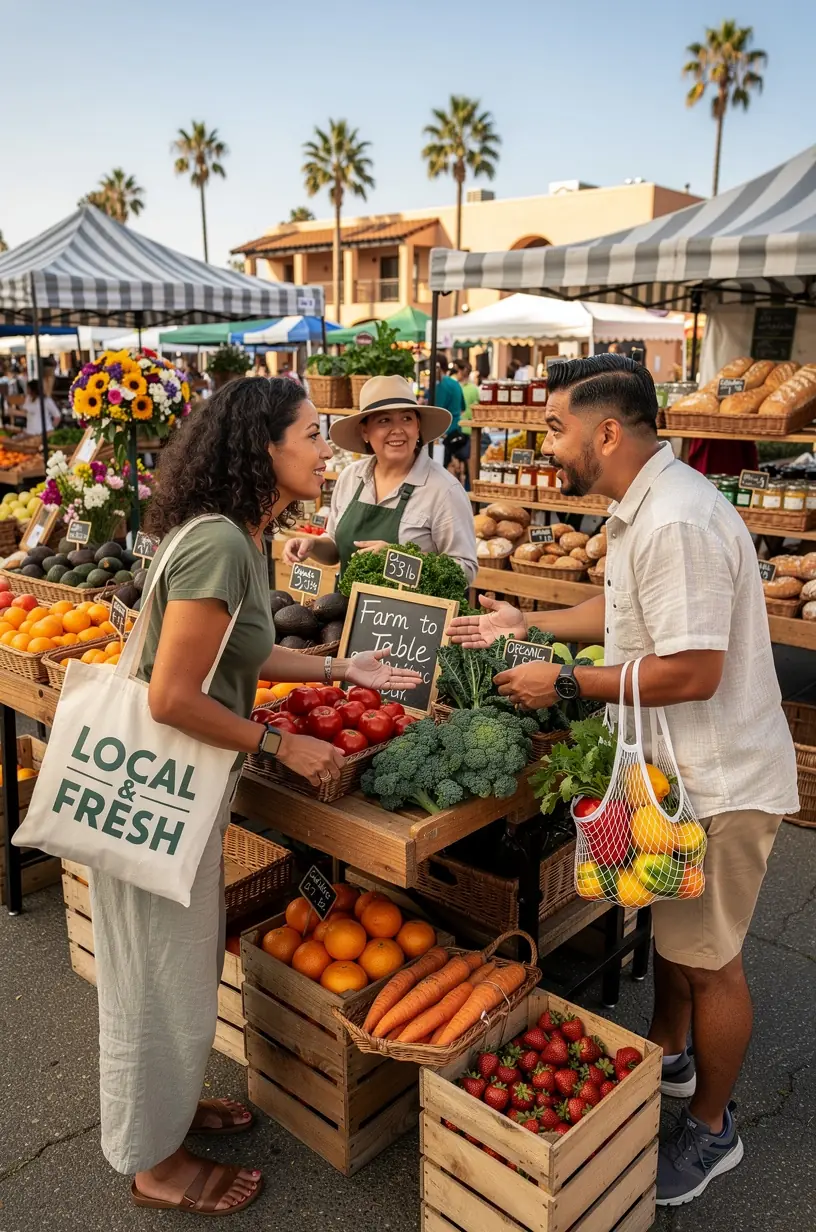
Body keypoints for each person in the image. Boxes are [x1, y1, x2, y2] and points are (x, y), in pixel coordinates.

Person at [448, 354, 798, 1208]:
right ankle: (671, 1057)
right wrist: (526, 620)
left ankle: (714, 1131)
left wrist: (565, 681)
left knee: (712, 963)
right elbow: (620, 614)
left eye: (559, 426)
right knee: (683, 942)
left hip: (717, 780)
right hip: (682, 774)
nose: (549, 442)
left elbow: (693, 672)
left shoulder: (676, 519)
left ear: (607, 432)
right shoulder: (645, 510)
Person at [92, 378, 422, 1217]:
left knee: (183, 966)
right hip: (161, 790)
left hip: (183, 787)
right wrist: (281, 740)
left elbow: (235, 659)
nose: (327, 450)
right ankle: (151, 1160)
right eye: (313, 435)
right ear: (263, 448)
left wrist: (339, 668)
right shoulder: (220, 546)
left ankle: (168, 1112)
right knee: (153, 979)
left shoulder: (236, 536)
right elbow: (172, 695)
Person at [283, 374, 477, 582]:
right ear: (365, 431)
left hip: (409, 614)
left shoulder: (443, 490)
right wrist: (312, 546)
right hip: (351, 611)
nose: (398, 430)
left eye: (407, 418)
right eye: (384, 420)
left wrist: (398, 561)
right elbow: (336, 546)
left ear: (418, 427)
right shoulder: (351, 477)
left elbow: (465, 570)